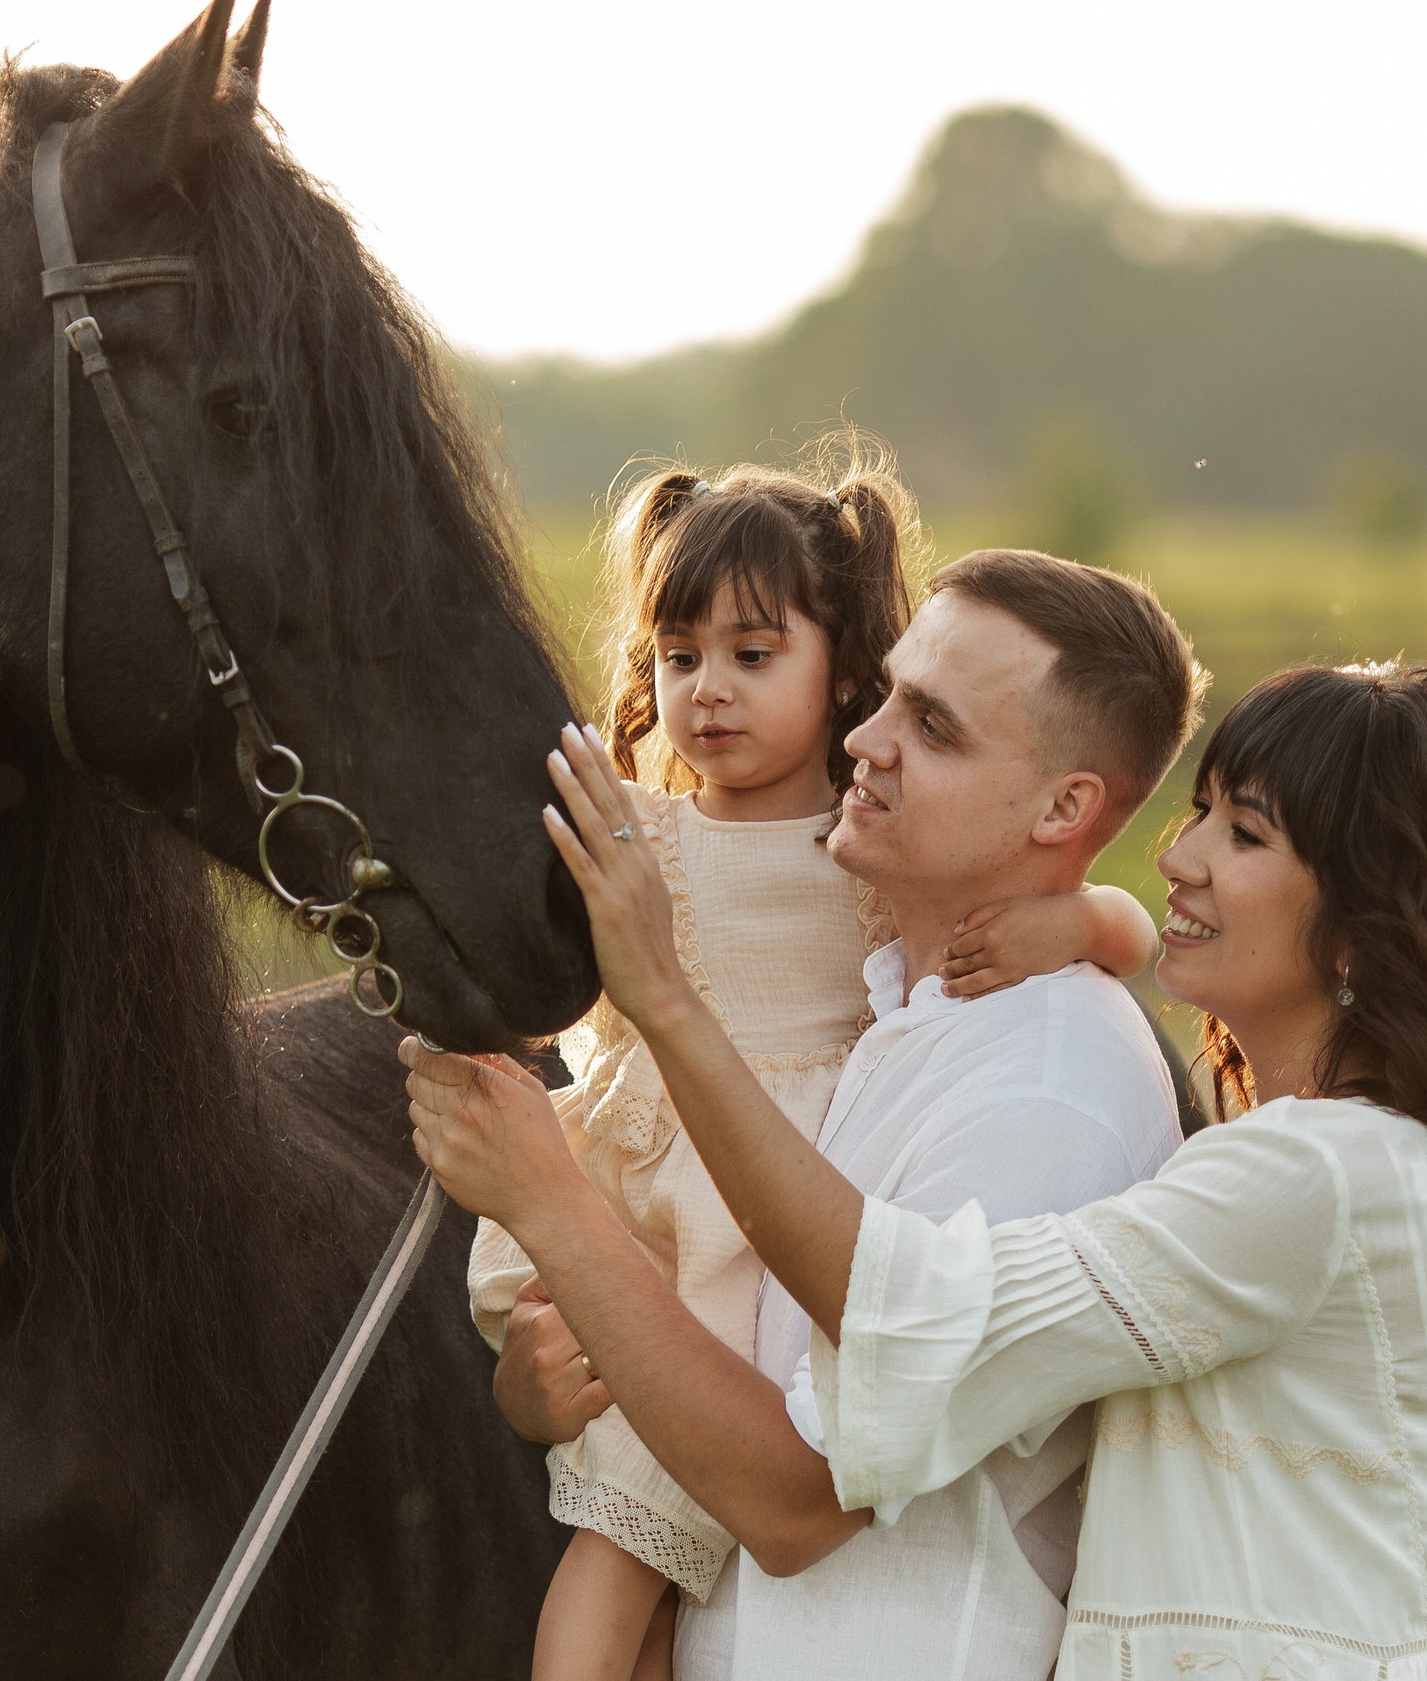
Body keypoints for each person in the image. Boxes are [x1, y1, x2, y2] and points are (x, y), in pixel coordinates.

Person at [437, 658, 1427, 1681]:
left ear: (1367, 918)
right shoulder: (1290, 1156)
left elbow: (921, 1320)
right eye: (1198, 813)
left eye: (1246, 833)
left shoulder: (1319, 1173)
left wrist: (631, 1056)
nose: (1179, 855)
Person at [416, 549, 1207, 1679]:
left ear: (1066, 805)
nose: (862, 739)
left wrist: (551, 1194)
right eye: (884, 693)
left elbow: (796, 1498)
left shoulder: (1049, 1081)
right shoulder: (886, 1020)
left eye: (932, 726)